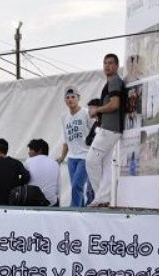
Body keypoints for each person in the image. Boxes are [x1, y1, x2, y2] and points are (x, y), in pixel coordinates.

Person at [87, 54, 125, 207]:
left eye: (110, 63)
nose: (107, 66)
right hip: (112, 129)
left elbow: (114, 104)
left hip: (109, 129)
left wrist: (97, 110)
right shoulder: (112, 82)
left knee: (91, 161)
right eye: (105, 63)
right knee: (107, 166)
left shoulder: (114, 81)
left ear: (116, 66)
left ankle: (101, 197)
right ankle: (105, 198)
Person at [56, 87, 93, 207]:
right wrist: (62, 157)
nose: (70, 100)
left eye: (73, 97)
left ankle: (74, 211)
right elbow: (66, 139)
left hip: (85, 156)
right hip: (72, 158)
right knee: (76, 187)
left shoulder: (86, 113)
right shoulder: (64, 117)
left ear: (78, 98)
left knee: (77, 185)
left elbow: (95, 132)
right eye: (67, 97)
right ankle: (80, 211)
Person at [24, 139, 60, 206]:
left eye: (31, 150)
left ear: (40, 150)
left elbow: (23, 181)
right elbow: (57, 189)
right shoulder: (55, 163)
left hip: (33, 202)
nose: (29, 153)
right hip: (51, 203)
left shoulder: (28, 162)